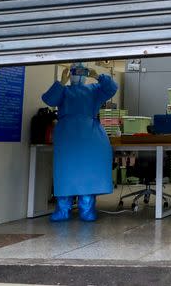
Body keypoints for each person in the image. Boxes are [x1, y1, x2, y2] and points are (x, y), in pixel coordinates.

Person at [41, 62, 118, 222]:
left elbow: (112, 88)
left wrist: (97, 76)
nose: (77, 75)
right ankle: (63, 208)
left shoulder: (94, 89)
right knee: (65, 172)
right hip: (67, 138)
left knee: (87, 173)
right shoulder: (63, 91)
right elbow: (48, 99)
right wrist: (61, 83)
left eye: (81, 71)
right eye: (74, 71)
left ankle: (87, 208)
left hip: (90, 137)